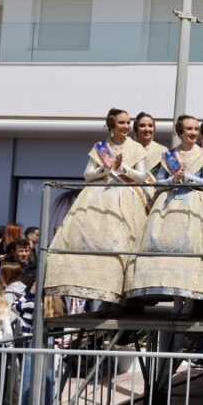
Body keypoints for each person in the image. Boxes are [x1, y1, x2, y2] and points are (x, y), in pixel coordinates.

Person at [44, 109, 150, 309]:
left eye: (128, 122)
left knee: (121, 247)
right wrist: (105, 169)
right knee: (98, 247)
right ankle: (102, 296)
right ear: (112, 126)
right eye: (122, 123)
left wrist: (122, 167)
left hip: (125, 199)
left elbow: (142, 177)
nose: (126, 126)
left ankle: (119, 298)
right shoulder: (101, 147)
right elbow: (87, 175)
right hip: (99, 197)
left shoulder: (135, 148)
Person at [127, 114, 203, 307]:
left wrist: (189, 177)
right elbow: (159, 182)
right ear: (180, 132)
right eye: (189, 129)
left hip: (195, 203)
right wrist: (174, 181)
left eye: (195, 129)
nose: (193, 133)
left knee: (191, 249)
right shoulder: (169, 155)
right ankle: (176, 302)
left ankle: (191, 301)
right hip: (170, 203)